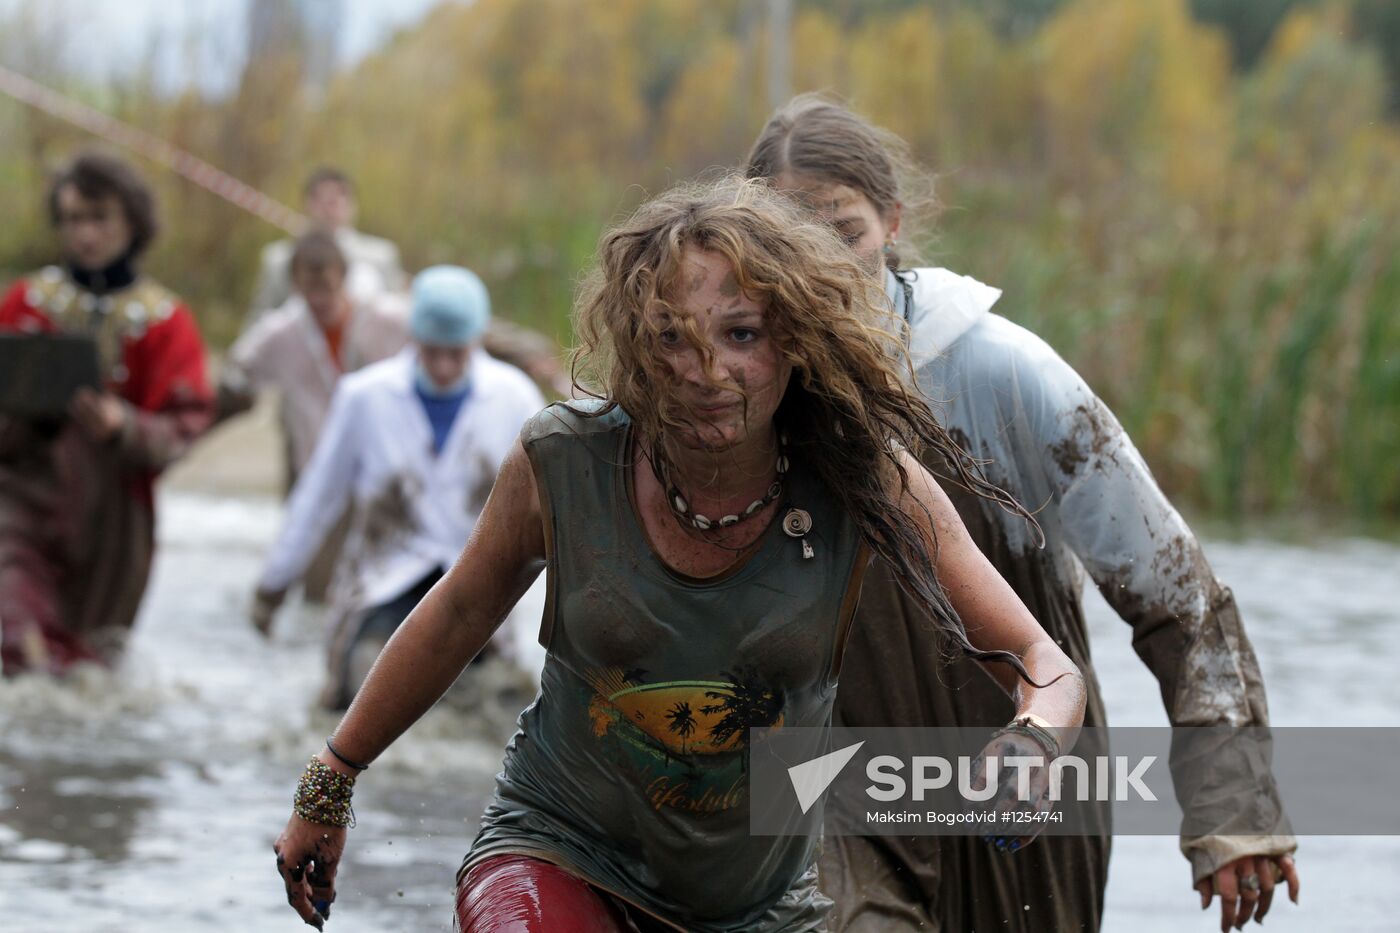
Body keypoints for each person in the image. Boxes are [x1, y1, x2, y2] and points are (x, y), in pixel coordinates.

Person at [270, 178, 1087, 932]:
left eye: (742, 334)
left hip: (758, 909)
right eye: (673, 337)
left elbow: (1044, 663)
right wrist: (331, 777)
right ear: (636, 344)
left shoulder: (863, 478)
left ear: (794, 342)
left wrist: (1034, 741)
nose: (707, 370)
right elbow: (455, 615)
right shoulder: (563, 460)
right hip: (557, 853)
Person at [745, 95, 1301, 933]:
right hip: (830, 785)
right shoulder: (733, 388)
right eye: (792, 237)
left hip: (1027, 767)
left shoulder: (1004, 375)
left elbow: (1181, 601)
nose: (821, 264)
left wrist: (1235, 803)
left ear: (892, 221)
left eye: (844, 232)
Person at [251, 265, 546, 710]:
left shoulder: (514, 397)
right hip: (381, 584)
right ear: (413, 338)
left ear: (476, 341)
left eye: (456, 353)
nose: (443, 367)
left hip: (477, 590)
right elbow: (316, 499)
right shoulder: (364, 397)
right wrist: (273, 587)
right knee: (365, 691)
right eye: (432, 352)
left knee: (497, 704)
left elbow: (551, 506)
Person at [0, 152, 213, 675]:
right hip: (24, 502)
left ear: (132, 222)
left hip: (116, 522)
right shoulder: (26, 302)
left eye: (99, 218)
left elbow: (186, 423)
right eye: (73, 219)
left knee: (90, 663)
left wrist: (125, 425)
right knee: (20, 646)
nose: (86, 234)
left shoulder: (166, 322)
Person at [219, 231, 410, 600]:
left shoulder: (386, 318)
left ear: (344, 278)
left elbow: (451, 338)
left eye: (327, 288)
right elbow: (238, 371)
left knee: (386, 578)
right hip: (320, 468)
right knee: (320, 582)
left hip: (386, 465)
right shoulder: (281, 332)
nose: (319, 300)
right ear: (295, 285)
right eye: (310, 290)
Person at [248, 166, 405, 323]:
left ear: (353, 204)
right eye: (320, 197)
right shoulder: (278, 259)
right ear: (306, 204)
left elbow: (398, 316)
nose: (330, 205)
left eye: (339, 196)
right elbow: (260, 319)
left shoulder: (381, 256)